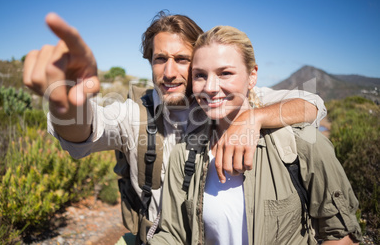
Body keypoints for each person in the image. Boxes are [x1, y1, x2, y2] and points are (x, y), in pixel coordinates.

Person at [23, 11, 326, 244]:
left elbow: (311, 104)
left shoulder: (225, 101)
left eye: (182, 59)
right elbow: (87, 131)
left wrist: (253, 118)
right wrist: (67, 104)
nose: (169, 73)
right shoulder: (136, 114)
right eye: (159, 59)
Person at [149, 26, 362, 245]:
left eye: (225, 73)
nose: (211, 87)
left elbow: (341, 235)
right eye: (200, 75)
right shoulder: (184, 155)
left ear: (252, 76)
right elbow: (173, 235)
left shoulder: (302, 145)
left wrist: (252, 118)